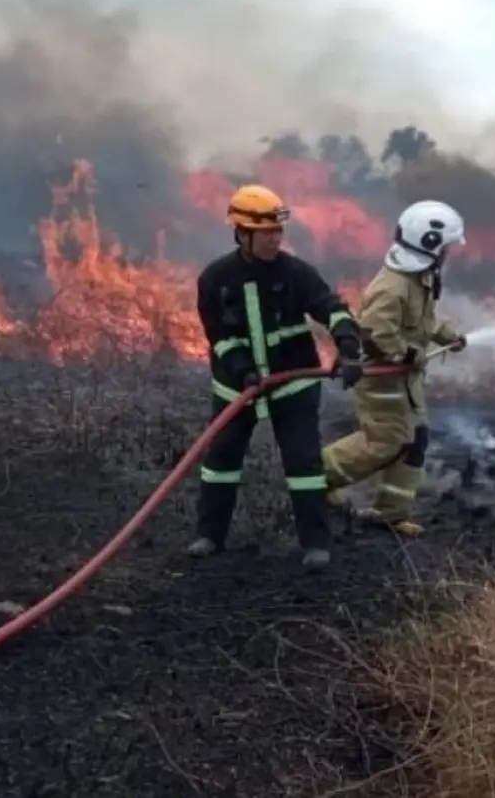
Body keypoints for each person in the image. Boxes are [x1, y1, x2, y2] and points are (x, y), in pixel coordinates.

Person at [188, 183, 364, 570]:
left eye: (278, 231)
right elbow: (219, 338)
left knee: (303, 463)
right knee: (221, 460)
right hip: (236, 387)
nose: (275, 240)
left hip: (293, 384)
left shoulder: (296, 273)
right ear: (242, 233)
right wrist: (244, 372)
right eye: (266, 233)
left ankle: (316, 544)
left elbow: (330, 307)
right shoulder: (214, 279)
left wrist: (348, 346)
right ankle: (209, 535)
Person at [321, 200, 468, 538]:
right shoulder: (393, 287)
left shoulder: (418, 278)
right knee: (384, 441)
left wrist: (447, 334)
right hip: (382, 381)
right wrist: (405, 354)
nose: (449, 253)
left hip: (405, 380)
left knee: (416, 438)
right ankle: (314, 477)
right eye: (446, 246)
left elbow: (423, 320)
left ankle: (390, 513)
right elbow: (373, 333)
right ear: (429, 244)